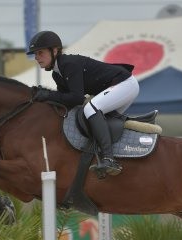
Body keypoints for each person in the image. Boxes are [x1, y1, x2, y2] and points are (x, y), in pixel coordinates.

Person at [27, 30, 139, 177]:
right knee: (98, 119)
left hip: (125, 84)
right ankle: (109, 157)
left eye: (40, 53)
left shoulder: (68, 64)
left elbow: (77, 98)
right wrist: (45, 100)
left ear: (54, 51)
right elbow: (66, 103)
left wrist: (48, 94)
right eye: (35, 54)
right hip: (120, 87)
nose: (36, 57)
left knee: (91, 109)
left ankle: (109, 159)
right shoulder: (57, 74)